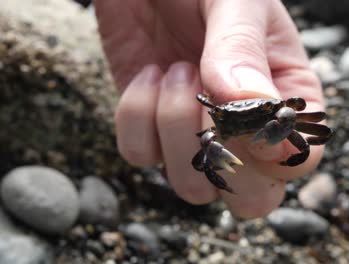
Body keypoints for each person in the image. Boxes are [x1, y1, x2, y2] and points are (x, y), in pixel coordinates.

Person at [94, 0, 325, 219]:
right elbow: (200, 162)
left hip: (258, 117)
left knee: (294, 146)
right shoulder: (213, 129)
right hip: (217, 120)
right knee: (205, 153)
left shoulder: (274, 107)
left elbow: (306, 130)